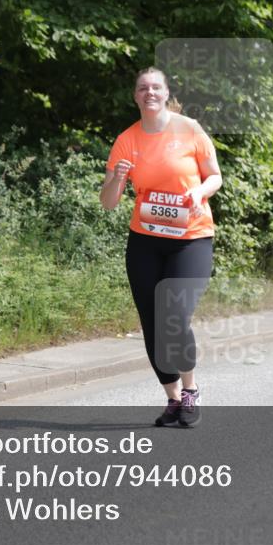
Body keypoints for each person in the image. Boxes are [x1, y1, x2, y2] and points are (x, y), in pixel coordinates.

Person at [100, 67, 222, 427]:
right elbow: (108, 202)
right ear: (135, 96)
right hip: (146, 240)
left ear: (167, 93)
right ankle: (172, 401)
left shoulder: (190, 129)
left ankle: (190, 391)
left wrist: (199, 192)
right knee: (152, 323)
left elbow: (214, 175)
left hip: (192, 238)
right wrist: (118, 179)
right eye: (142, 88)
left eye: (156, 87)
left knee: (174, 315)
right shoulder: (126, 140)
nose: (149, 92)